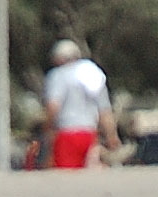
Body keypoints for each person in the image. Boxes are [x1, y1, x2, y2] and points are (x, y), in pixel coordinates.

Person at [43, 39, 120, 169]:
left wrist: (47, 127)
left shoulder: (58, 75)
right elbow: (104, 110)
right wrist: (111, 135)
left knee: (66, 177)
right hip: (89, 133)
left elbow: (53, 106)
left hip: (66, 134)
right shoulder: (93, 73)